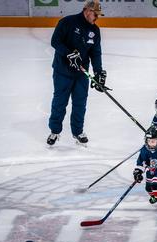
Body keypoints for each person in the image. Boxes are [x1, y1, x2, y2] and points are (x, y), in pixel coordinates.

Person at [47, 0, 107, 146]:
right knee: (60, 102)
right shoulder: (67, 22)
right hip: (63, 71)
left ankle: (78, 131)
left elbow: (95, 53)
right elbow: (55, 41)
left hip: (81, 72)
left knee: (80, 103)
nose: (97, 18)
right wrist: (68, 54)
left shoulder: (95, 30)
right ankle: (55, 131)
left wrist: (98, 72)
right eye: (95, 14)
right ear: (87, 11)